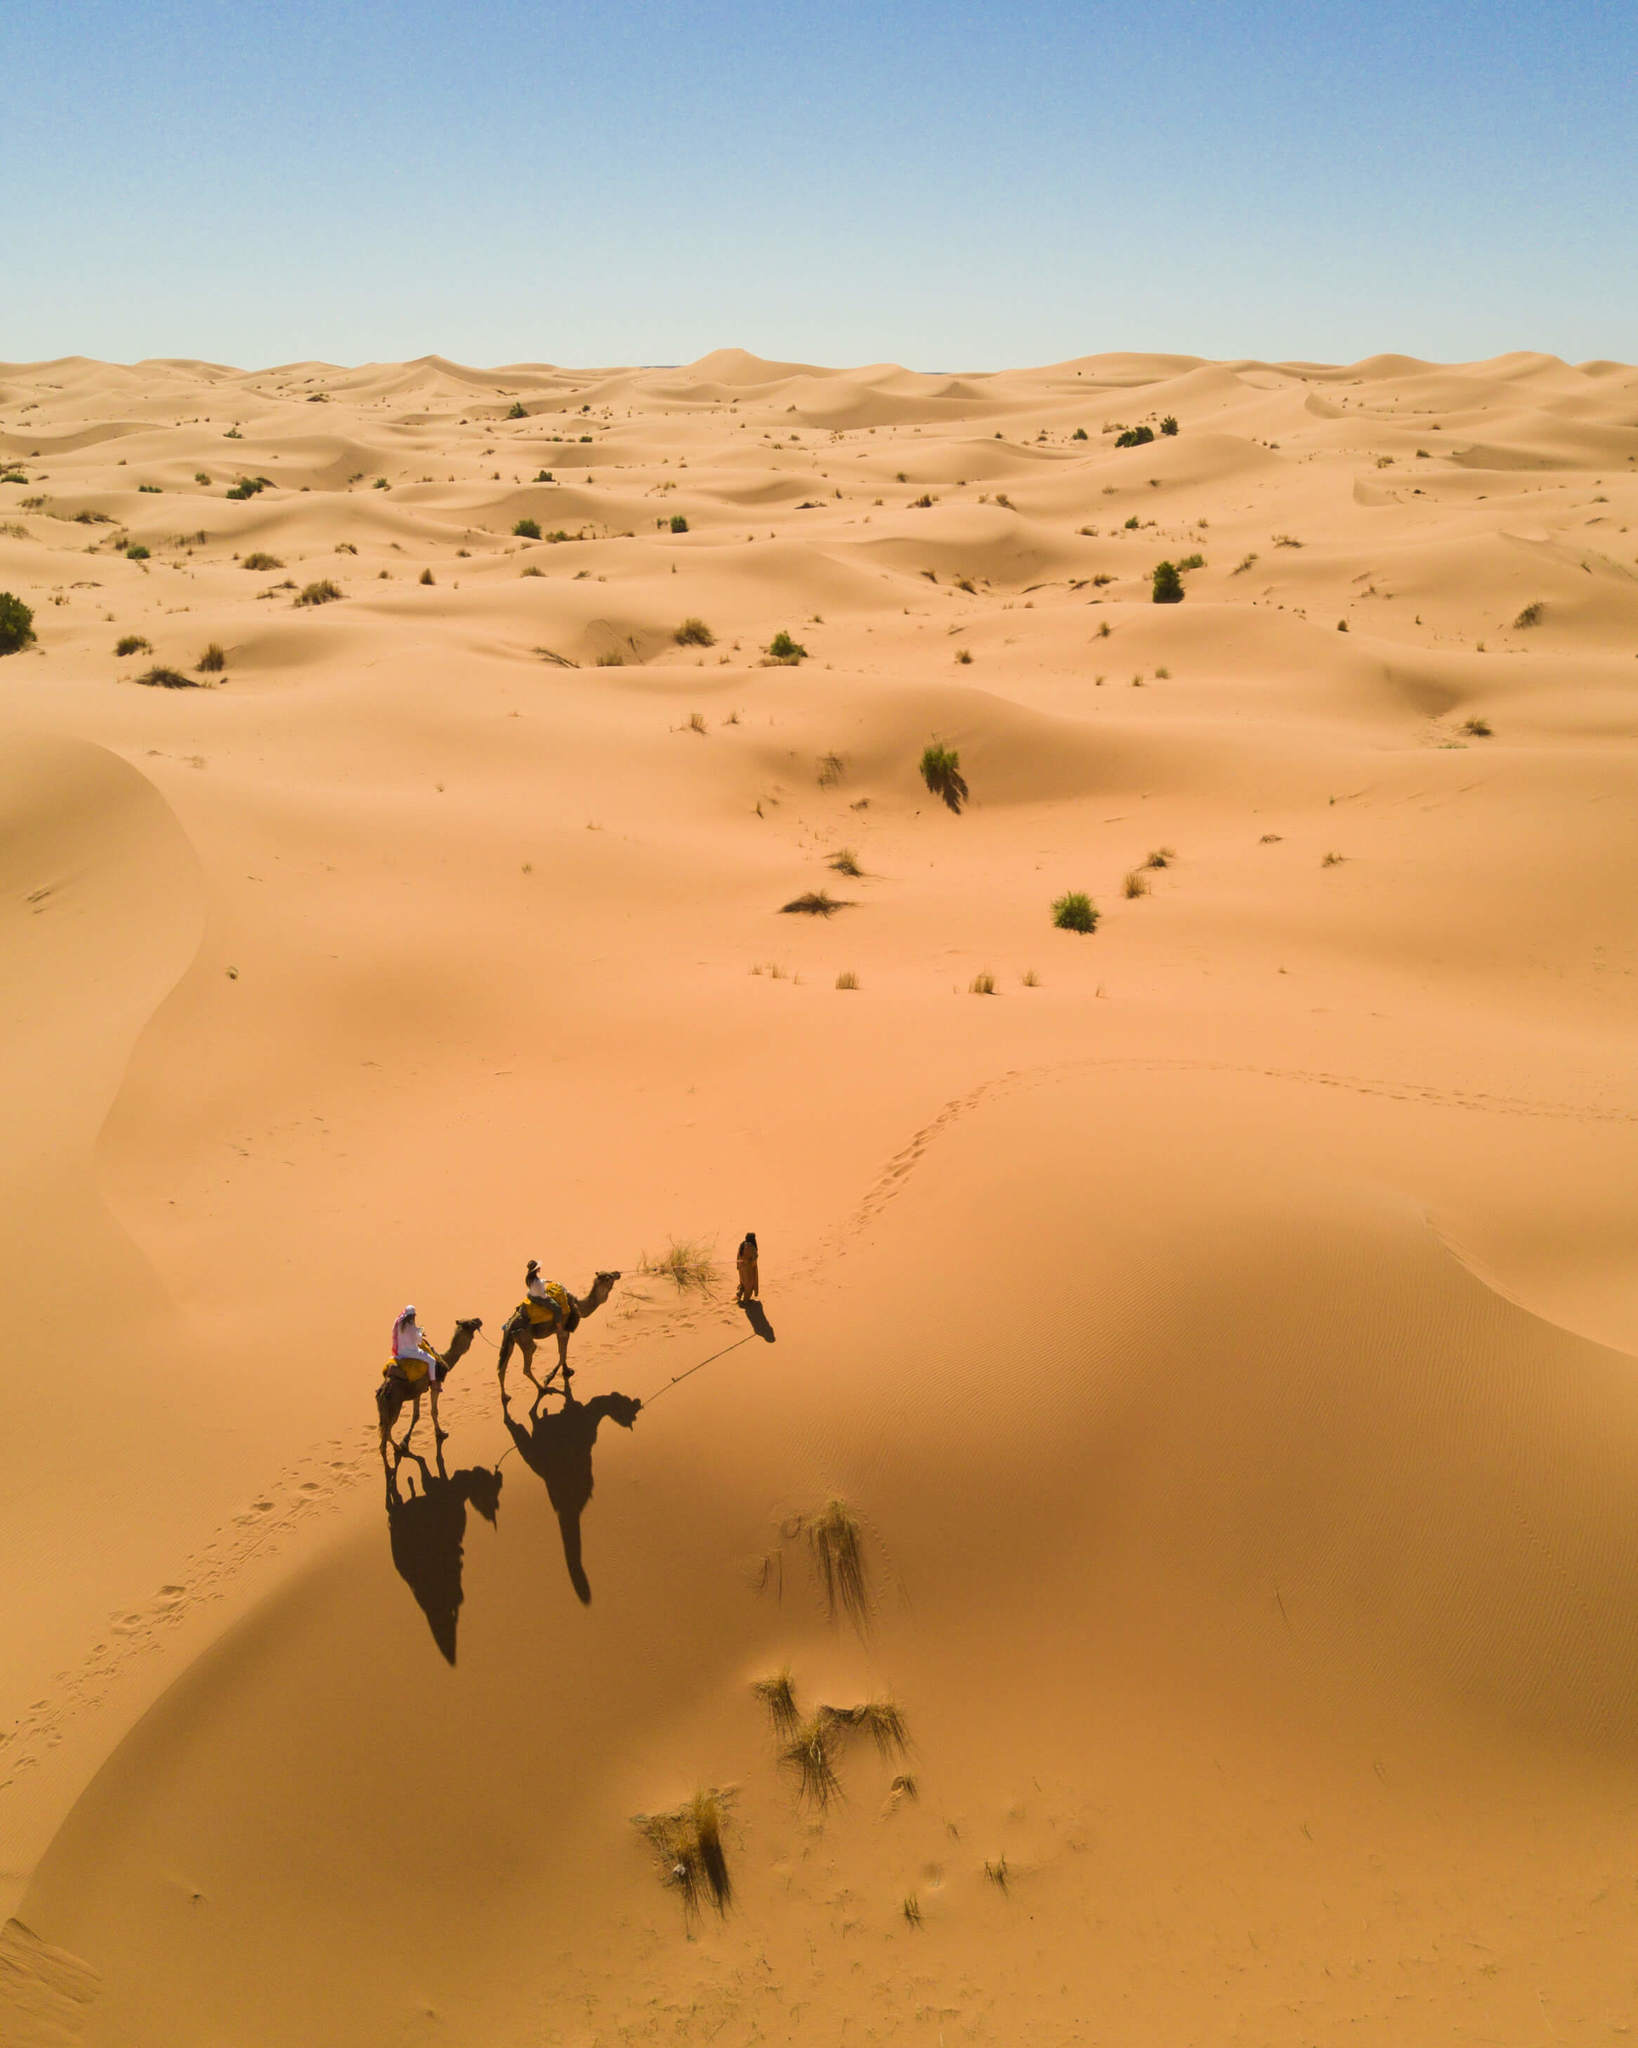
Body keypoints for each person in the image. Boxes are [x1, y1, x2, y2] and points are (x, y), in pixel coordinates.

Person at [392, 1303, 441, 1385]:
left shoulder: (399, 1323)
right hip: (411, 1352)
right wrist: (421, 1332)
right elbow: (418, 1340)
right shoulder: (411, 1325)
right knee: (432, 1361)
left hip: (400, 1352)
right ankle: (433, 1382)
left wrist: (418, 1330)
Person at [735, 1232, 759, 1302]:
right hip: (749, 1270)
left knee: (743, 1282)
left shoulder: (742, 1244)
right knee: (749, 1285)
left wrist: (738, 1266)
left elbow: (738, 1256)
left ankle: (739, 1295)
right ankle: (745, 1300)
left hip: (741, 1268)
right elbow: (754, 1261)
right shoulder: (752, 1248)